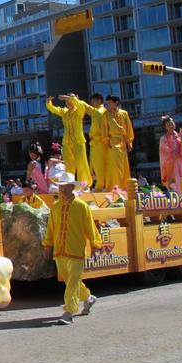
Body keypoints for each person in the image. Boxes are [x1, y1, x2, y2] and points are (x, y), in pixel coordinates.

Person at [42, 171, 102, 325]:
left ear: (72, 187)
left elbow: (90, 227)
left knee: (73, 281)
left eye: (66, 187)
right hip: (59, 250)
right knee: (70, 280)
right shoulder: (55, 207)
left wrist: (95, 245)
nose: (62, 190)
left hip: (76, 250)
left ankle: (69, 312)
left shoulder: (82, 207)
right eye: (60, 187)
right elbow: (51, 228)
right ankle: (88, 298)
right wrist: (47, 245)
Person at [46, 94, 93, 188]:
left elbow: (79, 104)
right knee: (68, 164)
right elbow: (54, 109)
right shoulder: (65, 112)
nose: (67, 102)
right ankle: (69, 185)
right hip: (67, 142)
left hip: (78, 141)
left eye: (69, 100)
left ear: (75, 99)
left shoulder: (79, 110)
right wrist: (48, 102)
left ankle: (84, 185)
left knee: (81, 163)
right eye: (66, 101)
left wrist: (68, 97)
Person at [102, 94, 134, 191]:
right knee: (115, 166)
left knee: (124, 165)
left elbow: (128, 127)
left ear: (116, 102)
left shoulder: (124, 113)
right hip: (113, 142)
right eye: (107, 103)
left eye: (110, 103)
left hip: (122, 142)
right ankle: (116, 187)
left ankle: (124, 186)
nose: (108, 105)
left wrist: (129, 141)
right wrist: (107, 141)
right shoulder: (106, 114)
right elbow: (104, 129)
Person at [81, 93, 109, 191]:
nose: (92, 103)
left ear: (99, 101)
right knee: (102, 164)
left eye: (93, 101)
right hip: (102, 142)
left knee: (98, 165)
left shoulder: (98, 112)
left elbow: (94, 129)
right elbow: (87, 108)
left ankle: (100, 186)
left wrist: (91, 135)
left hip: (98, 141)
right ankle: (103, 184)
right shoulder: (103, 111)